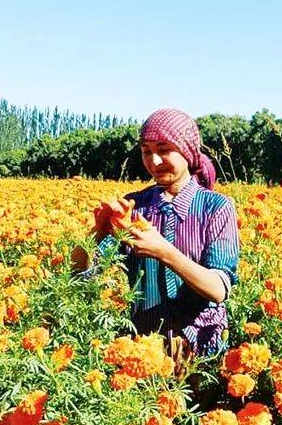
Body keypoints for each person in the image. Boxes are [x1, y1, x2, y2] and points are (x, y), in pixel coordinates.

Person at [74, 109, 239, 358]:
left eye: (164, 150)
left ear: (187, 151)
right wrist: (97, 232)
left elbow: (218, 289)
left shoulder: (216, 207)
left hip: (199, 349)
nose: (154, 161)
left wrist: (163, 251)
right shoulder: (134, 206)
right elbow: (80, 274)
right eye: (146, 151)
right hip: (144, 347)